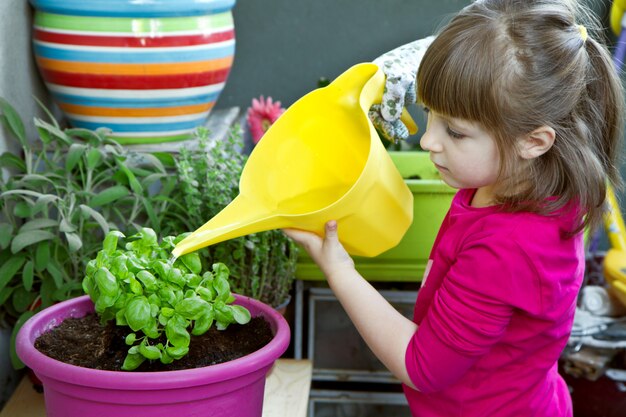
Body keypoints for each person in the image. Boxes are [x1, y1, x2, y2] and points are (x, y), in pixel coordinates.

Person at [283, 0, 625, 416]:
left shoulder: (508, 250)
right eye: (430, 114)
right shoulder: (529, 174)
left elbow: (420, 365)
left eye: (456, 132)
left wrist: (338, 269)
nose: (428, 141)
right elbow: (501, 63)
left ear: (534, 141)